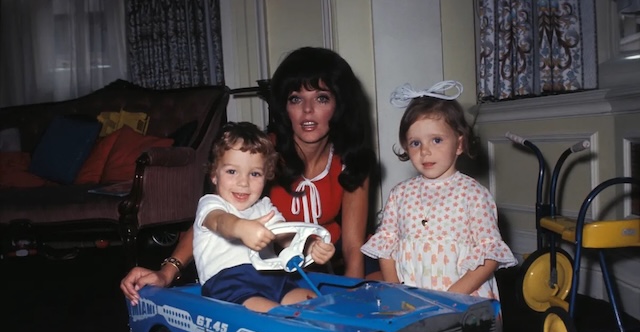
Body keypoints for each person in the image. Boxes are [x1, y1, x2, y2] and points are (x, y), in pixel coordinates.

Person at [121, 47, 376, 305]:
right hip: (257, 270)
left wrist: (351, 303)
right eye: (296, 99)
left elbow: (354, 247)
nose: (308, 110)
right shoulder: (258, 156)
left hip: (318, 262)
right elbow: (211, 220)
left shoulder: (351, 159)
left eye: (321, 98)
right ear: (284, 106)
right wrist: (167, 272)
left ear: (339, 104)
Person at [361, 81, 517, 300]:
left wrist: (452, 296)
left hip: (462, 295)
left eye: (436, 140)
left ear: (459, 144)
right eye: (415, 143)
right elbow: (386, 246)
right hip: (412, 296)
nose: (425, 151)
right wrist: (396, 288)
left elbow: (489, 255)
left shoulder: (473, 194)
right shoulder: (400, 194)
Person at [194, 121, 334, 312]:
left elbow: (286, 237)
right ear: (214, 175)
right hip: (230, 286)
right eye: (232, 171)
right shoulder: (212, 204)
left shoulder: (264, 206)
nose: (243, 182)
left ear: (266, 175)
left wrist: (311, 247)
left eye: (255, 173)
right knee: (275, 316)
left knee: (316, 307)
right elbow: (219, 222)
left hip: (274, 278)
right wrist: (240, 228)